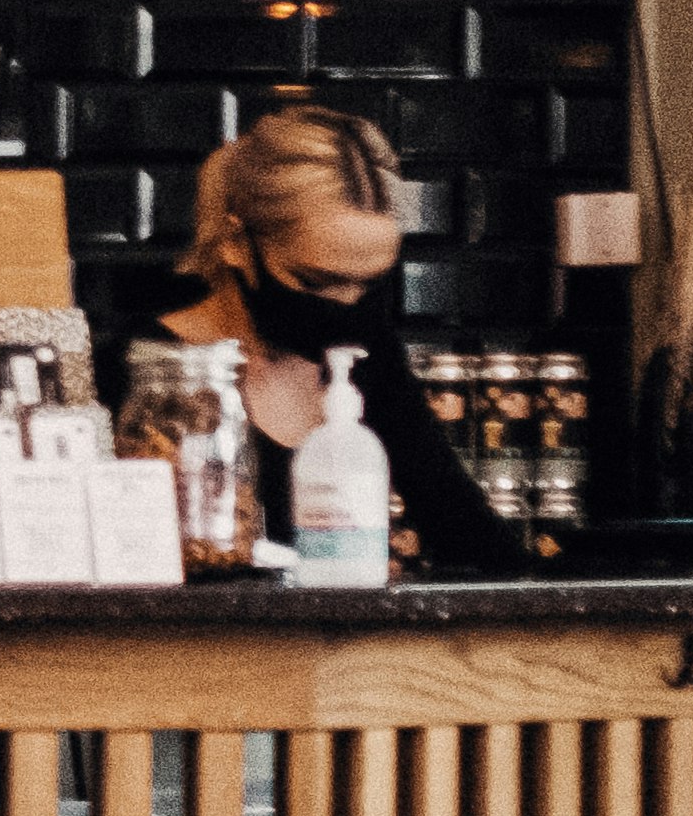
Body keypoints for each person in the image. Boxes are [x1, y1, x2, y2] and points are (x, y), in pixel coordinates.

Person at [145, 105, 522, 576]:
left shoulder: (369, 355)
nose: (347, 308)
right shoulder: (153, 371)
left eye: (369, 285)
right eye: (316, 283)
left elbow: (472, 538)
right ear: (234, 243)